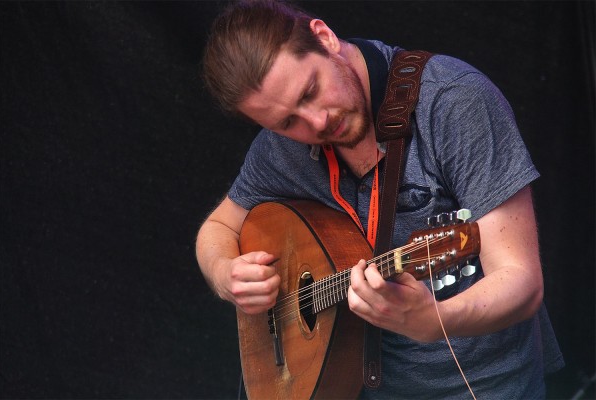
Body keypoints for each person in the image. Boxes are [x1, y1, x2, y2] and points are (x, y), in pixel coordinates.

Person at [195, 0, 564, 398]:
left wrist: (436, 319)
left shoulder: (453, 101)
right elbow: (218, 228)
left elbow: (521, 281)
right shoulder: (280, 149)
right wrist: (224, 275)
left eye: (311, 91)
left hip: (482, 387)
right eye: (287, 122)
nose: (317, 122)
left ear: (324, 38)